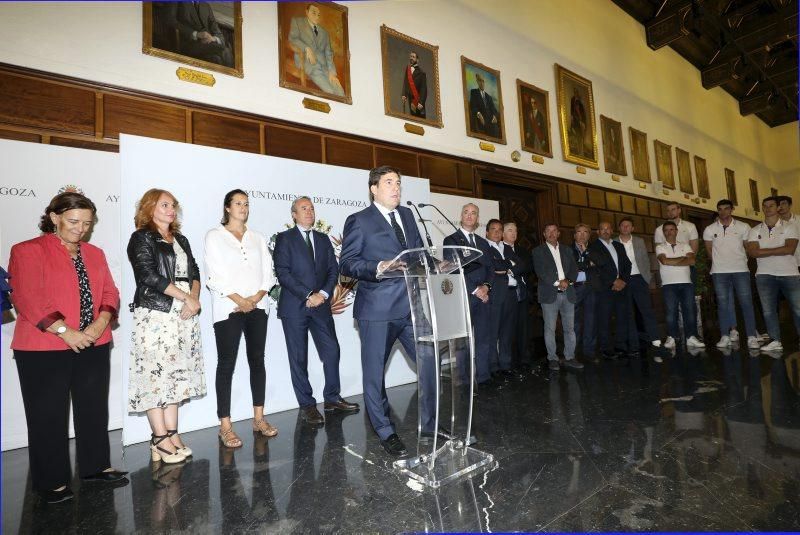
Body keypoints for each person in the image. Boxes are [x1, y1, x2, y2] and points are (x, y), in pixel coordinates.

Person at [8, 192, 127, 504]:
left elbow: (110, 292)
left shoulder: (95, 253)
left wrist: (100, 324)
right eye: (74, 221)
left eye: (87, 223)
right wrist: (66, 331)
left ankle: (96, 467)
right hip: (44, 347)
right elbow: (28, 298)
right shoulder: (27, 251)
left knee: (93, 409)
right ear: (54, 217)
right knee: (47, 415)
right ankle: (51, 483)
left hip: (95, 342)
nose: (80, 229)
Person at [339, 165, 434, 456]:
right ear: (374, 189)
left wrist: (434, 264)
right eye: (389, 182)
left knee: (429, 360)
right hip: (377, 310)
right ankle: (385, 430)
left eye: (399, 182)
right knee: (374, 374)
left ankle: (431, 423)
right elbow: (348, 263)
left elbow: (417, 253)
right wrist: (379, 267)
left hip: (412, 307)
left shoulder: (407, 215)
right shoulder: (359, 220)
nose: (396, 188)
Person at [127, 189, 206, 464]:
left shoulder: (181, 238)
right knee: (154, 375)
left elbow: (194, 271)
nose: (170, 209)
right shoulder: (141, 237)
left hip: (185, 313)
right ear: (149, 208)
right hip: (157, 313)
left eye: (173, 205)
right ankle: (158, 437)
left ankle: (172, 433)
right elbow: (147, 275)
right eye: (164, 205)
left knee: (176, 374)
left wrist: (193, 298)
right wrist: (185, 296)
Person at [274, 196, 359, 426]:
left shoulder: (322, 239)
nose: (309, 211)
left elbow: (333, 269)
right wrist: (307, 295)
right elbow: (282, 272)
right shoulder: (284, 239)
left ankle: (331, 398)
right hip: (295, 307)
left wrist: (322, 293)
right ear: (294, 214)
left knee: (332, 350)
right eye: (304, 208)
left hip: (321, 306)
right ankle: (307, 406)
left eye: (311, 208)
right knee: (299, 358)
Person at [204, 189, 278, 448]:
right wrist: (241, 301)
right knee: (226, 365)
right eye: (238, 203)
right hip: (228, 309)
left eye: (246, 204)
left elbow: (268, 274)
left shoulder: (258, 238)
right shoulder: (215, 236)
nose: (243, 208)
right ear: (227, 208)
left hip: (258, 307)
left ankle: (259, 419)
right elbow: (215, 276)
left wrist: (255, 299)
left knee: (258, 361)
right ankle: (225, 426)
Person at [443, 203, 496, 389]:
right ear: (461, 215)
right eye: (466, 212)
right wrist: (476, 290)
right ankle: (463, 379)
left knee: (483, 338)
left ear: (477, 218)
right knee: (463, 341)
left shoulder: (482, 243)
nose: (469, 215)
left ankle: (483, 375)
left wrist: (486, 288)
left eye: (474, 213)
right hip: (465, 296)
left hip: (484, 297)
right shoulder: (451, 240)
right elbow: (454, 270)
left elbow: (490, 269)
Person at [702, 199, 760, 349]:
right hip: (719, 272)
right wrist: (719, 263)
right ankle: (725, 335)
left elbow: (748, 247)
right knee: (722, 304)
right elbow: (709, 250)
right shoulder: (709, 229)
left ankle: (752, 336)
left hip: (740, 270)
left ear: (732, 210)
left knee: (746, 303)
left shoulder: (743, 226)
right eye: (720, 209)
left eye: (726, 209)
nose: (723, 212)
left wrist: (740, 260)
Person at [747, 196, 800, 352]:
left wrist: (764, 251)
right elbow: (753, 253)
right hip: (764, 275)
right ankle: (775, 340)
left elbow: (790, 249)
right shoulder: (755, 230)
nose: (767, 208)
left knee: (798, 308)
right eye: (765, 206)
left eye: (771, 205)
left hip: (789, 274)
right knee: (768, 310)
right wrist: (778, 249)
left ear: (778, 208)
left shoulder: (790, 227)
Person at [532, 223, 583, 371]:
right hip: (549, 294)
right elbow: (540, 272)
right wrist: (557, 283)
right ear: (544, 234)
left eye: (554, 231)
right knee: (550, 329)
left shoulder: (567, 250)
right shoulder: (538, 251)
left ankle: (570, 357)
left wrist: (568, 281)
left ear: (558, 233)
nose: (551, 233)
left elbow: (574, 269)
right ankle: (552, 358)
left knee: (570, 328)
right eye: (548, 231)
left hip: (568, 293)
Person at [615, 218, 662, 353]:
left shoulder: (639, 241)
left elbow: (645, 261)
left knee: (646, 309)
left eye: (628, 226)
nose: (625, 228)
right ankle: (633, 341)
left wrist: (646, 278)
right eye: (623, 225)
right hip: (623, 280)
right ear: (619, 228)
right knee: (628, 312)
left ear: (632, 228)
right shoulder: (614, 242)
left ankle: (656, 339)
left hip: (639, 279)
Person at [656, 221, 705, 349]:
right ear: (663, 232)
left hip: (686, 283)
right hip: (668, 284)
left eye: (671, 229)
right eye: (666, 230)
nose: (669, 232)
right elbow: (664, 261)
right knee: (671, 312)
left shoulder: (685, 245)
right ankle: (671, 337)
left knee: (689, 311)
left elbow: (692, 260)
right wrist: (683, 259)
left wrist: (673, 261)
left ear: (676, 231)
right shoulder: (660, 247)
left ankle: (691, 337)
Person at [588, 221, 632, 359]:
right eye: (602, 229)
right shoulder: (593, 246)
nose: (605, 231)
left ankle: (620, 345)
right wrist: (614, 280)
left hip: (621, 287)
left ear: (612, 230)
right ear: (598, 232)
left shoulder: (618, 245)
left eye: (608, 228)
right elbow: (597, 269)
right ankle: (606, 348)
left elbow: (627, 264)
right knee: (604, 319)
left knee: (622, 318)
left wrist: (623, 280)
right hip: (605, 288)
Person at [288, 3, 345, 97]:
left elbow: (328, 53)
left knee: (340, 92)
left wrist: (332, 72)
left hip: (325, 66)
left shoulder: (324, 33)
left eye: (318, 14)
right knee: (330, 92)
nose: (317, 16)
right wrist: (307, 48)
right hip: (307, 63)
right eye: (313, 13)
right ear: (307, 12)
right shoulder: (297, 22)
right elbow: (292, 38)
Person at [502, 222, 533, 372]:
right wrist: (514, 268)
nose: (513, 233)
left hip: (523, 294)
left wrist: (511, 269)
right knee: (509, 330)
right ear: (502, 233)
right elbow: (501, 268)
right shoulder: (499, 249)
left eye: (515, 230)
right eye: (509, 230)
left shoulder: (523, 251)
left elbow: (527, 267)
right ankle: (511, 362)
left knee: (524, 328)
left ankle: (525, 360)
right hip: (508, 294)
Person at [485, 218, 512, 379]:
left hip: (509, 295)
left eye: (500, 230)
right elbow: (495, 266)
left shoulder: (506, 247)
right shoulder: (484, 247)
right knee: (492, 333)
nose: (497, 232)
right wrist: (507, 266)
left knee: (506, 333)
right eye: (493, 229)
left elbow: (520, 264)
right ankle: (493, 366)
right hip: (494, 295)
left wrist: (505, 267)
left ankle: (505, 364)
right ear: (487, 232)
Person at [174, 2, 233, 67]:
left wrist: (213, 38)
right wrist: (196, 34)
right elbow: (170, 20)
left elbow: (216, 29)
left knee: (217, 59)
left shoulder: (206, 6)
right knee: (225, 51)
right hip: (189, 44)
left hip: (209, 45)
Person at [571, 223, 598, 360]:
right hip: (575, 288)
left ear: (589, 235)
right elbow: (571, 268)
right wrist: (588, 264)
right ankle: (573, 352)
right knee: (573, 322)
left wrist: (587, 263)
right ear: (574, 235)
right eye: (579, 232)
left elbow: (599, 266)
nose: (582, 234)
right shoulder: (567, 250)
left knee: (591, 320)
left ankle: (589, 351)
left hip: (591, 287)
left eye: (585, 232)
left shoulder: (596, 250)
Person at [468, 72, 500, 138]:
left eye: (483, 81)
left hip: (490, 121)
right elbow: (473, 106)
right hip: (480, 119)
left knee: (495, 129)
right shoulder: (474, 92)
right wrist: (479, 114)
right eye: (480, 81)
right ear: (477, 81)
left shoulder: (489, 97)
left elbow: (494, 109)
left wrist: (495, 116)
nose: (482, 83)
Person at [401, 51, 427, 118]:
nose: (411, 58)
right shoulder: (408, 69)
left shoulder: (422, 73)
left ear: (417, 60)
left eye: (413, 57)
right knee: (413, 116)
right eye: (410, 56)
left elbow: (424, 89)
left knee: (420, 118)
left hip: (418, 99)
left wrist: (421, 102)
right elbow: (405, 82)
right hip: (410, 98)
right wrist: (404, 94)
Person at [776, 195, 800, 269]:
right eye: (778, 204)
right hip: (783, 263)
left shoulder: (799, 220)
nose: (781, 206)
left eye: (783, 203)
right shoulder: (773, 223)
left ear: (790, 205)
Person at [569, 87, 587, 157]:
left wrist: (582, 123)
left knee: (580, 138)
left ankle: (581, 152)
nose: (577, 107)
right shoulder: (572, 100)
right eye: (574, 92)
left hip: (580, 124)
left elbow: (583, 118)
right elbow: (572, 114)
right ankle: (578, 151)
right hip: (576, 123)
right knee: (576, 136)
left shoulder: (581, 106)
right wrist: (572, 119)